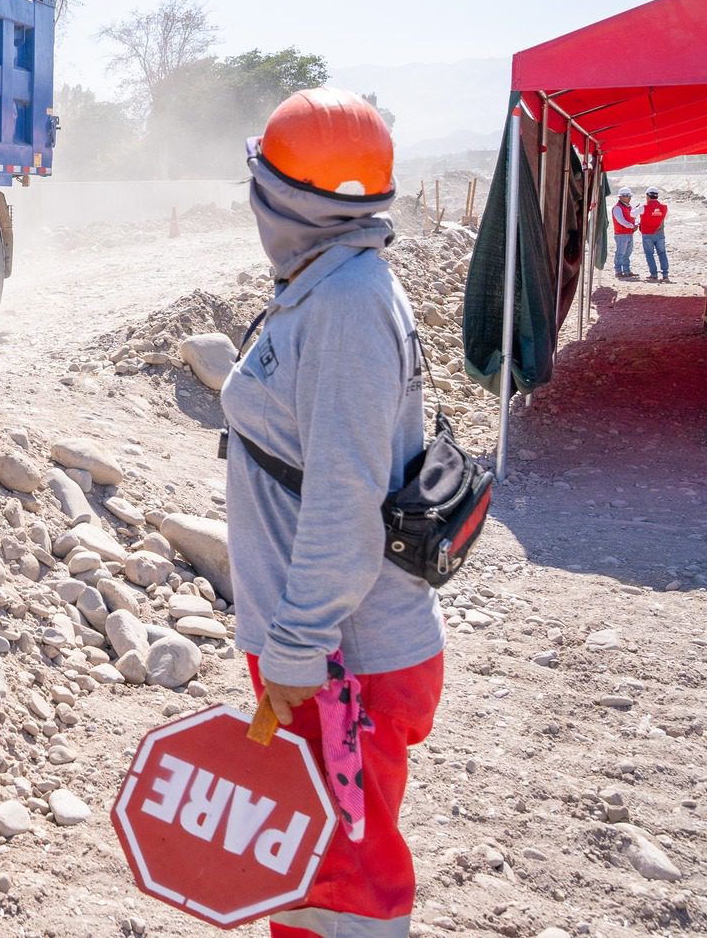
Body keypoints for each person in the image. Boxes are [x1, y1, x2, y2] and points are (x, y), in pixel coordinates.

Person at [221, 87, 444, 938]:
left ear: (283, 202)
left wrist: (299, 643)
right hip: (322, 656)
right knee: (311, 873)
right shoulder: (328, 281)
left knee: (347, 888)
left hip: (341, 663)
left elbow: (346, 500)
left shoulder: (347, 306)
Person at [638, 187, 669, 282]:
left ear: (647, 196)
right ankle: (665, 275)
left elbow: (632, 214)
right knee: (662, 253)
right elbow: (665, 218)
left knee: (649, 254)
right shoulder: (664, 207)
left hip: (647, 234)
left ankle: (653, 274)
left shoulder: (643, 207)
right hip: (659, 233)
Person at [610, 189, 637, 278]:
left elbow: (632, 218)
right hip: (621, 234)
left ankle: (626, 270)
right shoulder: (617, 208)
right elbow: (621, 221)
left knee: (627, 253)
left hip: (629, 233)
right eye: (627, 196)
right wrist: (632, 226)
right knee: (620, 253)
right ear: (621, 197)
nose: (629, 198)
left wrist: (635, 224)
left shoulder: (629, 207)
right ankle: (618, 271)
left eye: (629, 196)